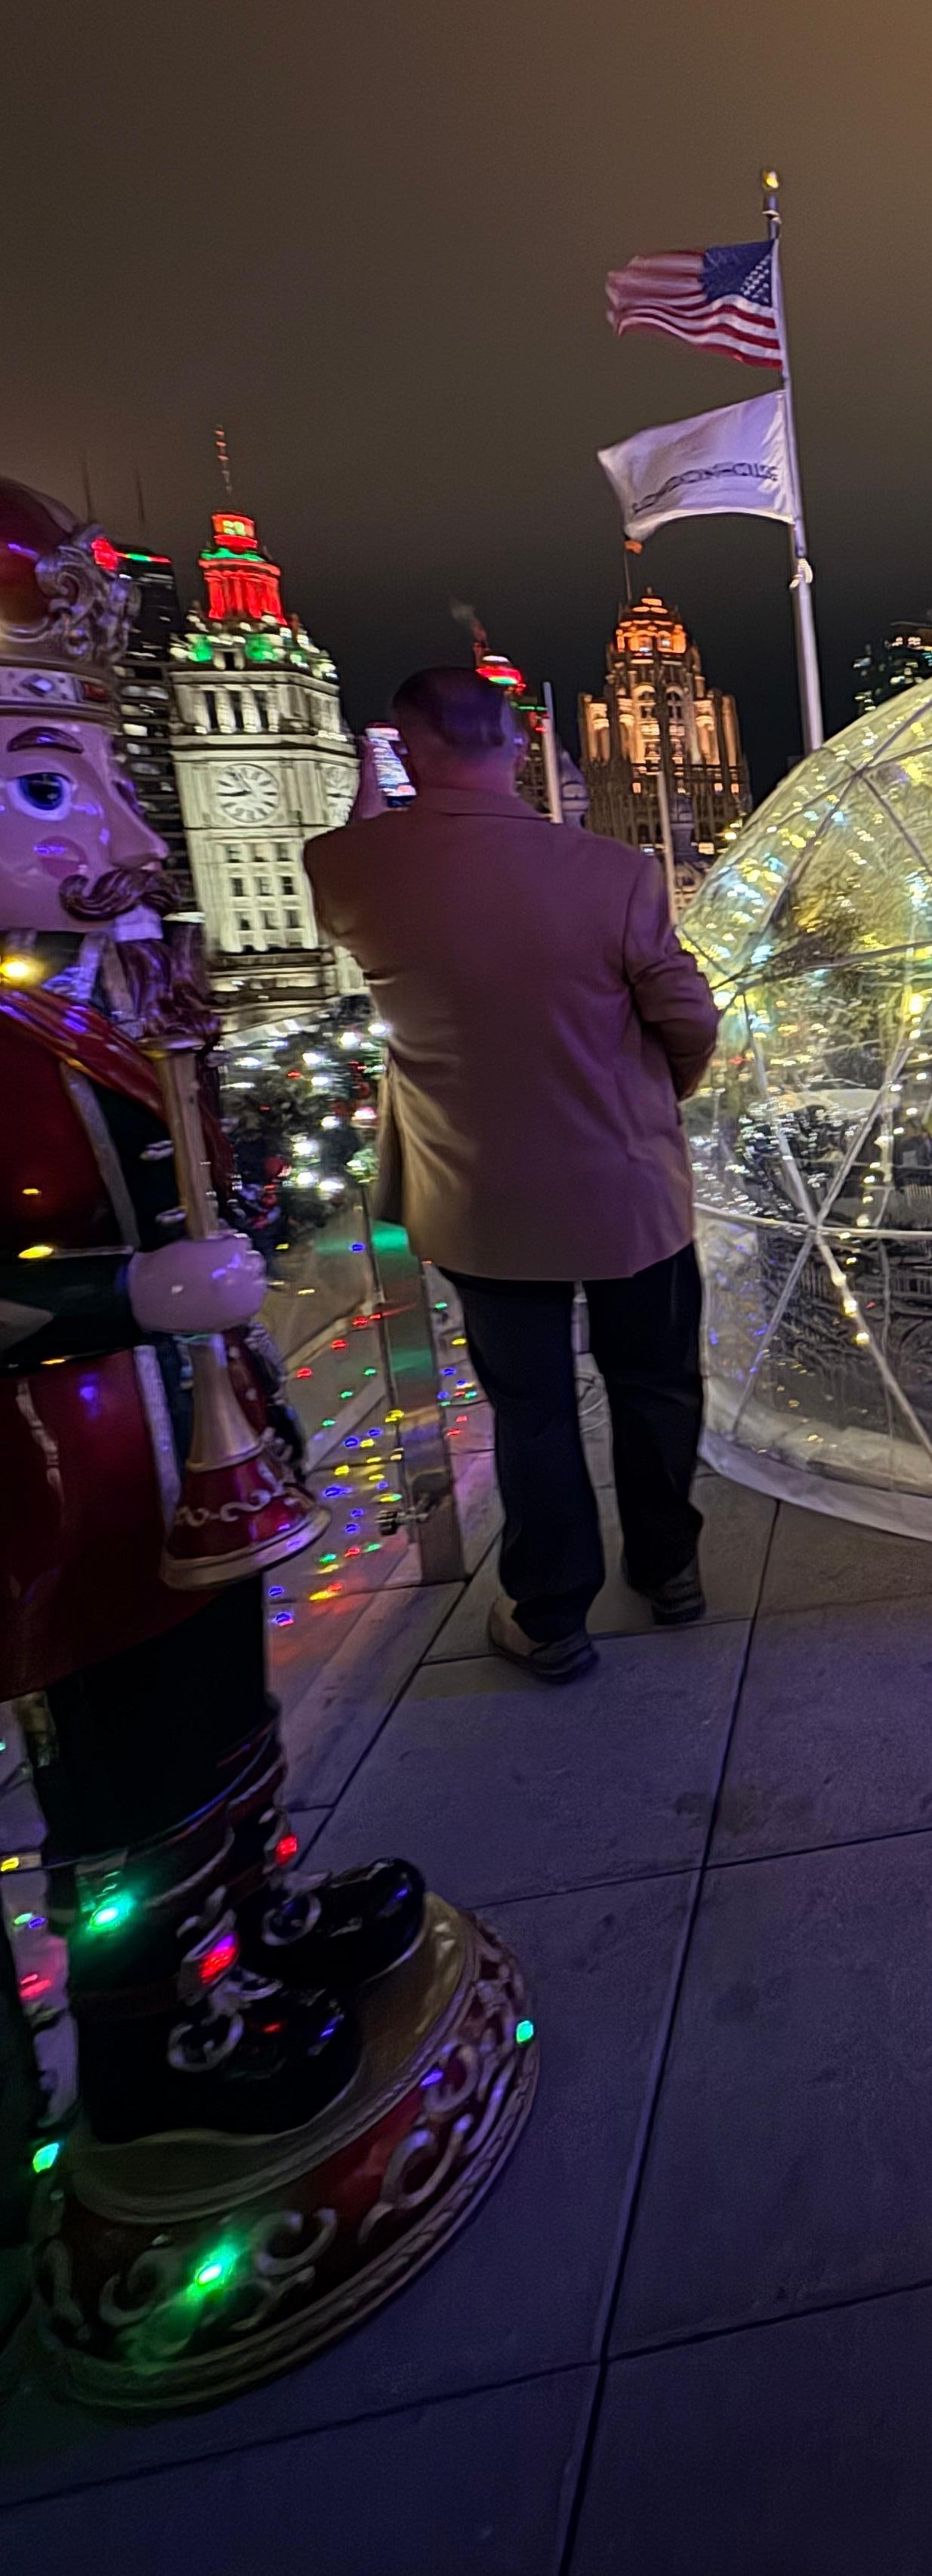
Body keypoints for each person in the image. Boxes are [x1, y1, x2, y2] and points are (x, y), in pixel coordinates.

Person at [0, 478, 421, 2172]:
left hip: (183, 1449)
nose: (129, 835)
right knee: (120, 1759)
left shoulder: (77, 1005)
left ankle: (253, 1919)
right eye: (50, 786)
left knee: (220, 1705)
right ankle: (153, 2038)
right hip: (60, 1485)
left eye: (107, 778)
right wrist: (117, 1298)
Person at [306, 666, 721, 1680]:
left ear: (405, 751)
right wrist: (653, 1093)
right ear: (522, 746)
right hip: (626, 1186)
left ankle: (550, 1614)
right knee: (655, 1386)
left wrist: (371, 784)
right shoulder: (615, 872)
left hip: (475, 1197)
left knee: (532, 1408)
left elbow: (353, 856)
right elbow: (688, 1016)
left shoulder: (351, 867)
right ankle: (669, 1571)